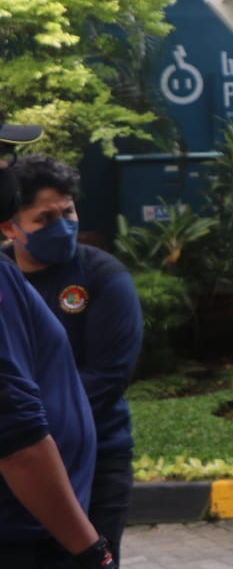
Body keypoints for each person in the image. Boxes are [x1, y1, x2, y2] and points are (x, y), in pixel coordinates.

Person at [0, 155, 143, 561]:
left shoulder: (103, 276)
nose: (61, 226)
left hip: (96, 460)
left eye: (67, 212)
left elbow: (109, 375)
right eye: (44, 219)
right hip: (24, 462)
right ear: (10, 227)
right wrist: (32, 439)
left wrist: (42, 432)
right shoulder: (7, 277)